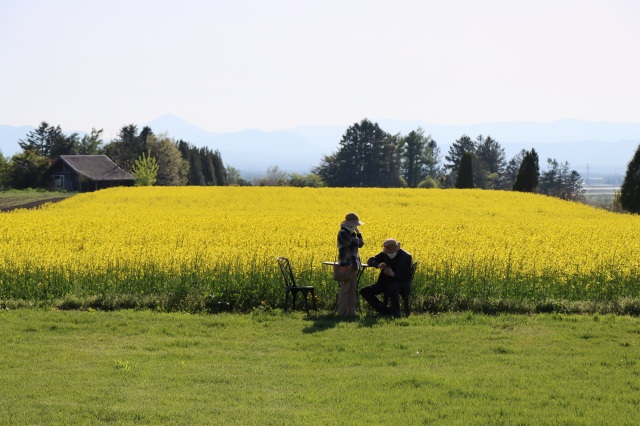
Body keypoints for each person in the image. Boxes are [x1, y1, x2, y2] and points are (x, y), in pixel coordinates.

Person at [360, 238, 413, 317]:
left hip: (401, 284)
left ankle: (396, 313)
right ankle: (384, 310)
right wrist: (378, 265)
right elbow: (371, 260)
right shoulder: (384, 254)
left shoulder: (406, 257)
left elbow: (408, 277)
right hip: (384, 283)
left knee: (392, 287)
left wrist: (393, 274)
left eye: (390, 252)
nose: (388, 254)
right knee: (364, 291)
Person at [336, 212, 365, 317]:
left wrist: (359, 233)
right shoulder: (343, 232)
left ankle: (351, 313)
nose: (357, 226)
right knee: (345, 290)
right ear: (350, 224)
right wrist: (356, 234)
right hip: (345, 264)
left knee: (353, 290)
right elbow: (354, 243)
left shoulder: (352, 233)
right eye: (356, 225)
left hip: (354, 264)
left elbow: (361, 244)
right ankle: (342, 313)